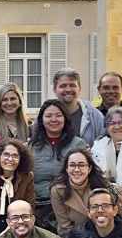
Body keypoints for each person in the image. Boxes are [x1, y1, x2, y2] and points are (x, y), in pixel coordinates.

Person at [29, 98, 88, 230]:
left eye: (58, 115)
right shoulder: (31, 146)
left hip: (68, 203)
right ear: (41, 120)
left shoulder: (78, 144)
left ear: (65, 119)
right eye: (48, 116)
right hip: (38, 206)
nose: (53, 120)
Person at [50, 147, 122, 235]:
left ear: (89, 168)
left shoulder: (103, 186)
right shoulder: (58, 191)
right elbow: (65, 227)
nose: (76, 170)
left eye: (81, 165)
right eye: (72, 165)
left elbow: (114, 220)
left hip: (107, 236)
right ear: (66, 169)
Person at [49, 68, 105, 145]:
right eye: (63, 86)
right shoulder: (45, 117)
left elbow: (104, 147)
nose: (68, 89)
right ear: (54, 90)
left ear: (79, 89)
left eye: (72, 85)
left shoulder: (95, 117)